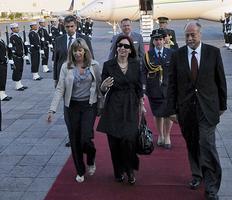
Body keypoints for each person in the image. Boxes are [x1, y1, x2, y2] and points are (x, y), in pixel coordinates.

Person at [167, 22, 227, 200]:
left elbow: (220, 80)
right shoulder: (177, 55)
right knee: (192, 143)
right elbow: (171, 84)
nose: (190, 38)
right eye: (187, 35)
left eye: (193, 35)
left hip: (207, 109)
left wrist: (222, 105)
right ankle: (197, 174)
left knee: (207, 145)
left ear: (200, 34)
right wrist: (171, 110)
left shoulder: (213, 53)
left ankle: (211, 187)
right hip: (186, 110)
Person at [47, 38, 101, 183]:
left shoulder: (94, 65)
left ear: (85, 51)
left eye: (80, 50)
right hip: (71, 107)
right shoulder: (66, 66)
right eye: (75, 50)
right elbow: (60, 88)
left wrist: (102, 105)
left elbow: (99, 87)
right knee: (74, 139)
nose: (77, 53)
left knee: (85, 138)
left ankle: (91, 157)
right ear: (71, 52)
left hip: (89, 105)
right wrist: (52, 110)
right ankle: (80, 170)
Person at [97, 35, 144, 184]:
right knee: (115, 142)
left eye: (126, 46)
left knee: (129, 140)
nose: (122, 48)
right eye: (120, 46)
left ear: (130, 50)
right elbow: (103, 89)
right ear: (116, 48)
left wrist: (142, 106)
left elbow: (138, 87)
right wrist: (103, 86)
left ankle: (130, 170)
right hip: (113, 106)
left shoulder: (136, 65)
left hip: (131, 105)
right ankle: (118, 171)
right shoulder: (108, 65)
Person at [54, 15, 95, 147]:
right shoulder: (59, 40)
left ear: (76, 26)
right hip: (65, 79)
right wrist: (55, 79)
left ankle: (85, 134)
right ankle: (72, 137)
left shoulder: (84, 39)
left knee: (82, 108)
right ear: (64, 26)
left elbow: (91, 58)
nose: (70, 29)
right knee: (68, 110)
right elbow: (56, 61)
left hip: (81, 79)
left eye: (72, 26)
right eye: (67, 27)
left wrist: (92, 78)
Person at [142, 29, 173, 149]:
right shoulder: (148, 55)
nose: (158, 42)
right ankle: (160, 135)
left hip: (168, 88)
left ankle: (167, 135)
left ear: (164, 40)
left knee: (168, 113)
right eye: (156, 40)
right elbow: (143, 72)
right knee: (157, 113)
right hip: (153, 88)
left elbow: (175, 72)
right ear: (153, 41)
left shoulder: (171, 53)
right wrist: (143, 89)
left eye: (160, 39)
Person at [7, 23, 28, 91]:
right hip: (16, 57)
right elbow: (13, 48)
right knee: (17, 70)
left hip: (20, 56)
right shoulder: (13, 37)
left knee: (20, 70)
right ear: (13, 29)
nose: (18, 29)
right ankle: (17, 85)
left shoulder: (18, 36)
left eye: (18, 27)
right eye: (16, 28)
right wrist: (11, 58)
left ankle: (20, 84)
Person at [0, 32, 12, 101]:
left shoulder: (1, 40)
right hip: (1, 63)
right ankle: (1, 95)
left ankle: (3, 93)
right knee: (1, 79)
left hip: (3, 62)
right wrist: (3, 59)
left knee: (3, 79)